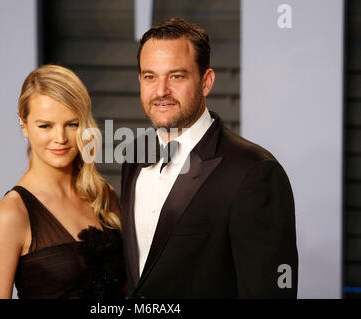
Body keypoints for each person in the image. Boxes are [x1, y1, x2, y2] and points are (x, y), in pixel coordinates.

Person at [120, 18, 298, 298]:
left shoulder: (253, 171)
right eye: (150, 76)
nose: (161, 90)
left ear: (206, 82)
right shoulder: (133, 156)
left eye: (176, 76)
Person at [0, 65, 126, 299]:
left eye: (72, 124)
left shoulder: (104, 196)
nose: (60, 138)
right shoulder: (11, 214)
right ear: (23, 124)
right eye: (45, 126)